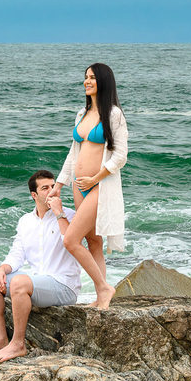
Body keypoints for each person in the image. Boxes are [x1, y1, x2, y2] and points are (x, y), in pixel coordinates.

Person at [0, 170, 81, 363]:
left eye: (53, 186)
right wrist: (2, 270)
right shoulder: (25, 221)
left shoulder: (70, 215)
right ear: (34, 195)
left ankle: (18, 344)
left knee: (20, 282)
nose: (51, 191)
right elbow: (17, 254)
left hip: (64, 285)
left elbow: (71, 244)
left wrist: (59, 213)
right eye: (45, 188)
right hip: (38, 282)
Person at [53, 62, 126, 310]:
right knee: (93, 242)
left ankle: (105, 287)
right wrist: (60, 184)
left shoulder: (114, 114)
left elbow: (120, 156)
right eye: (85, 77)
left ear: (103, 81)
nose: (87, 81)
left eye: (92, 77)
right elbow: (73, 155)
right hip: (78, 186)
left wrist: (95, 179)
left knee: (71, 240)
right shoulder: (81, 114)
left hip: (99, 186)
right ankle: (101, 295)